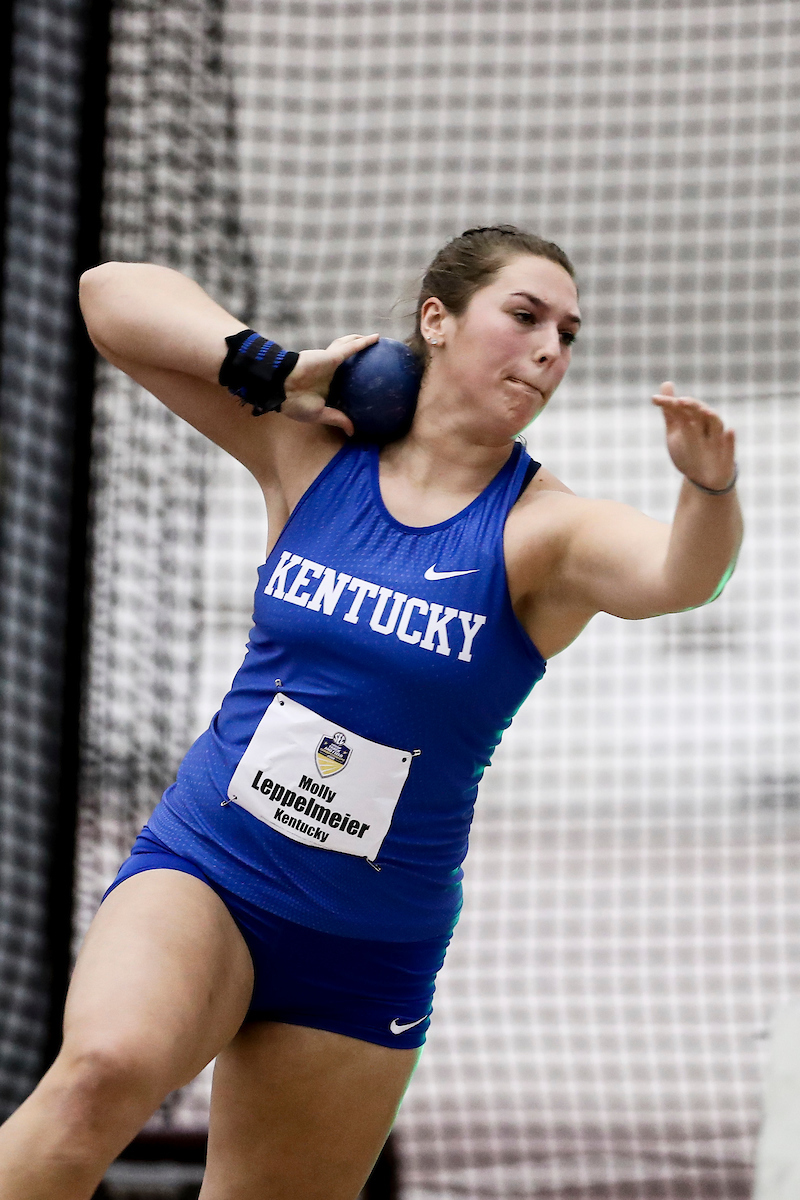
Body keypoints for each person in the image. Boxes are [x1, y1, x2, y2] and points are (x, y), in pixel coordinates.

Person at [0, 227, 742, 1200]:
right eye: (523, 317)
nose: (547, 350)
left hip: (364, 946)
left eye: (566, 334)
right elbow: (109, 296)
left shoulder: (544, 532)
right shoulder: (311, 451)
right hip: (209, 867)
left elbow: (683, 577)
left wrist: (708, 487)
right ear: (436, 320)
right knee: (100, 1075)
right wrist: (276, 369)